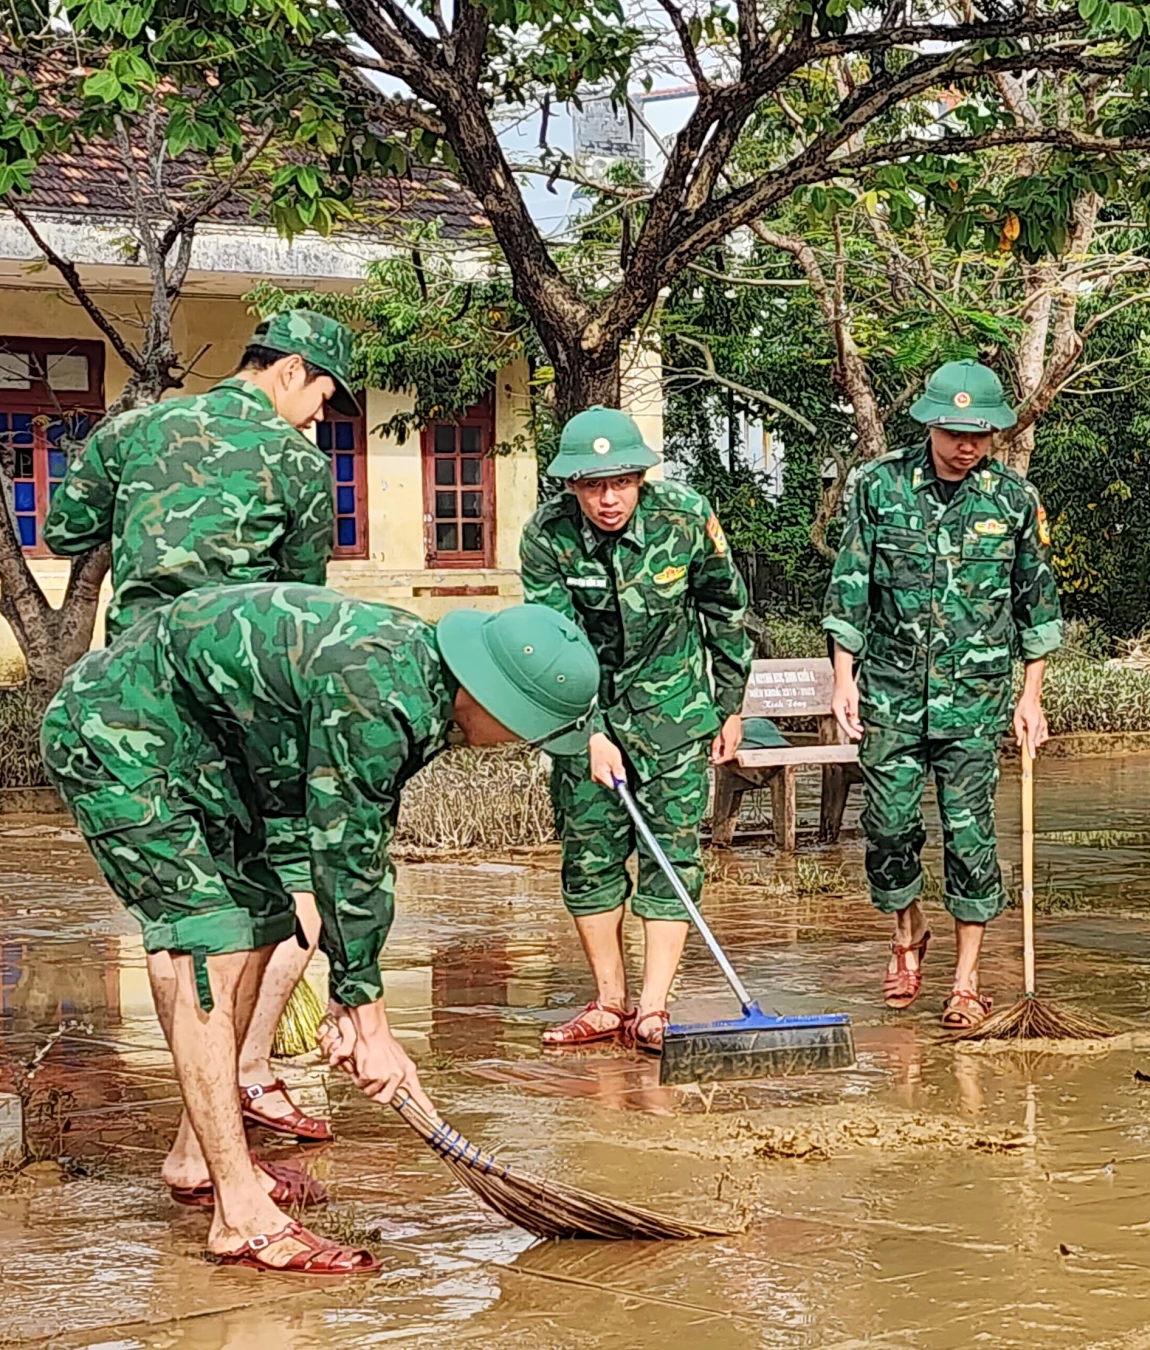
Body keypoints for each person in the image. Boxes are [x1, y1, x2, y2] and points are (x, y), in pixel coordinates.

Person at [40, 583, 598, 1272]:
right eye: (528, 729)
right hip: (120, 734)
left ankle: (197, 1157)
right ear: (493, 698)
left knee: (266, 920)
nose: (518, 747)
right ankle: (239, 1216)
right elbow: (347, 850)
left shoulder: (417, 676)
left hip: (206, 753)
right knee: (206, 940)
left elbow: (347, 841)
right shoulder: (381, 690)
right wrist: (371, 1022)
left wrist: (349, 999)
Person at [44, 308, 358, 1143]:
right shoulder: (295, 464)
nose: (321, 418)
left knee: (183, 922)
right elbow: (301, 603)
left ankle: (212, 1130)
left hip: (134, 696)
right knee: (262, 903)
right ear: (290, 371)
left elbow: (65, 528)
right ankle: (216, 1119)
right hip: (233, 699)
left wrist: (150, 519)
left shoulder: (132, 430)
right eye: (324, 397)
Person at [824, 360, 1062, 1028]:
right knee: (889, 825)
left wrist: (1031, 695)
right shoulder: (879, 486)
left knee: (970, 836)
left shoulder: (1012, 499)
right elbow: (851, 586)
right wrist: (844, 677)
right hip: (892, 693)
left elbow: (1035, 605)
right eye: (955, 432)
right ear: (929, 423)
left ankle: (965, 978)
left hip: (975, 699)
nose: (968, 445)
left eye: (981, 434)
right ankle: (907, 928)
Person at [520, 408, 752, 1052]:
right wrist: (588, 730)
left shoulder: (684, 517)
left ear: (641, 479)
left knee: (671, 859)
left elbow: (725, 611)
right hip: (581, 714)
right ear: (571, 485)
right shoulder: (546, 535)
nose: (608, 498)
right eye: (593, 485)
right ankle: (608, 1001)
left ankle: (653, 1009)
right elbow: (551, 643)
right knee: (589, 855)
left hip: (673, 711)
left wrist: (729, 705)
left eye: (621, 481)